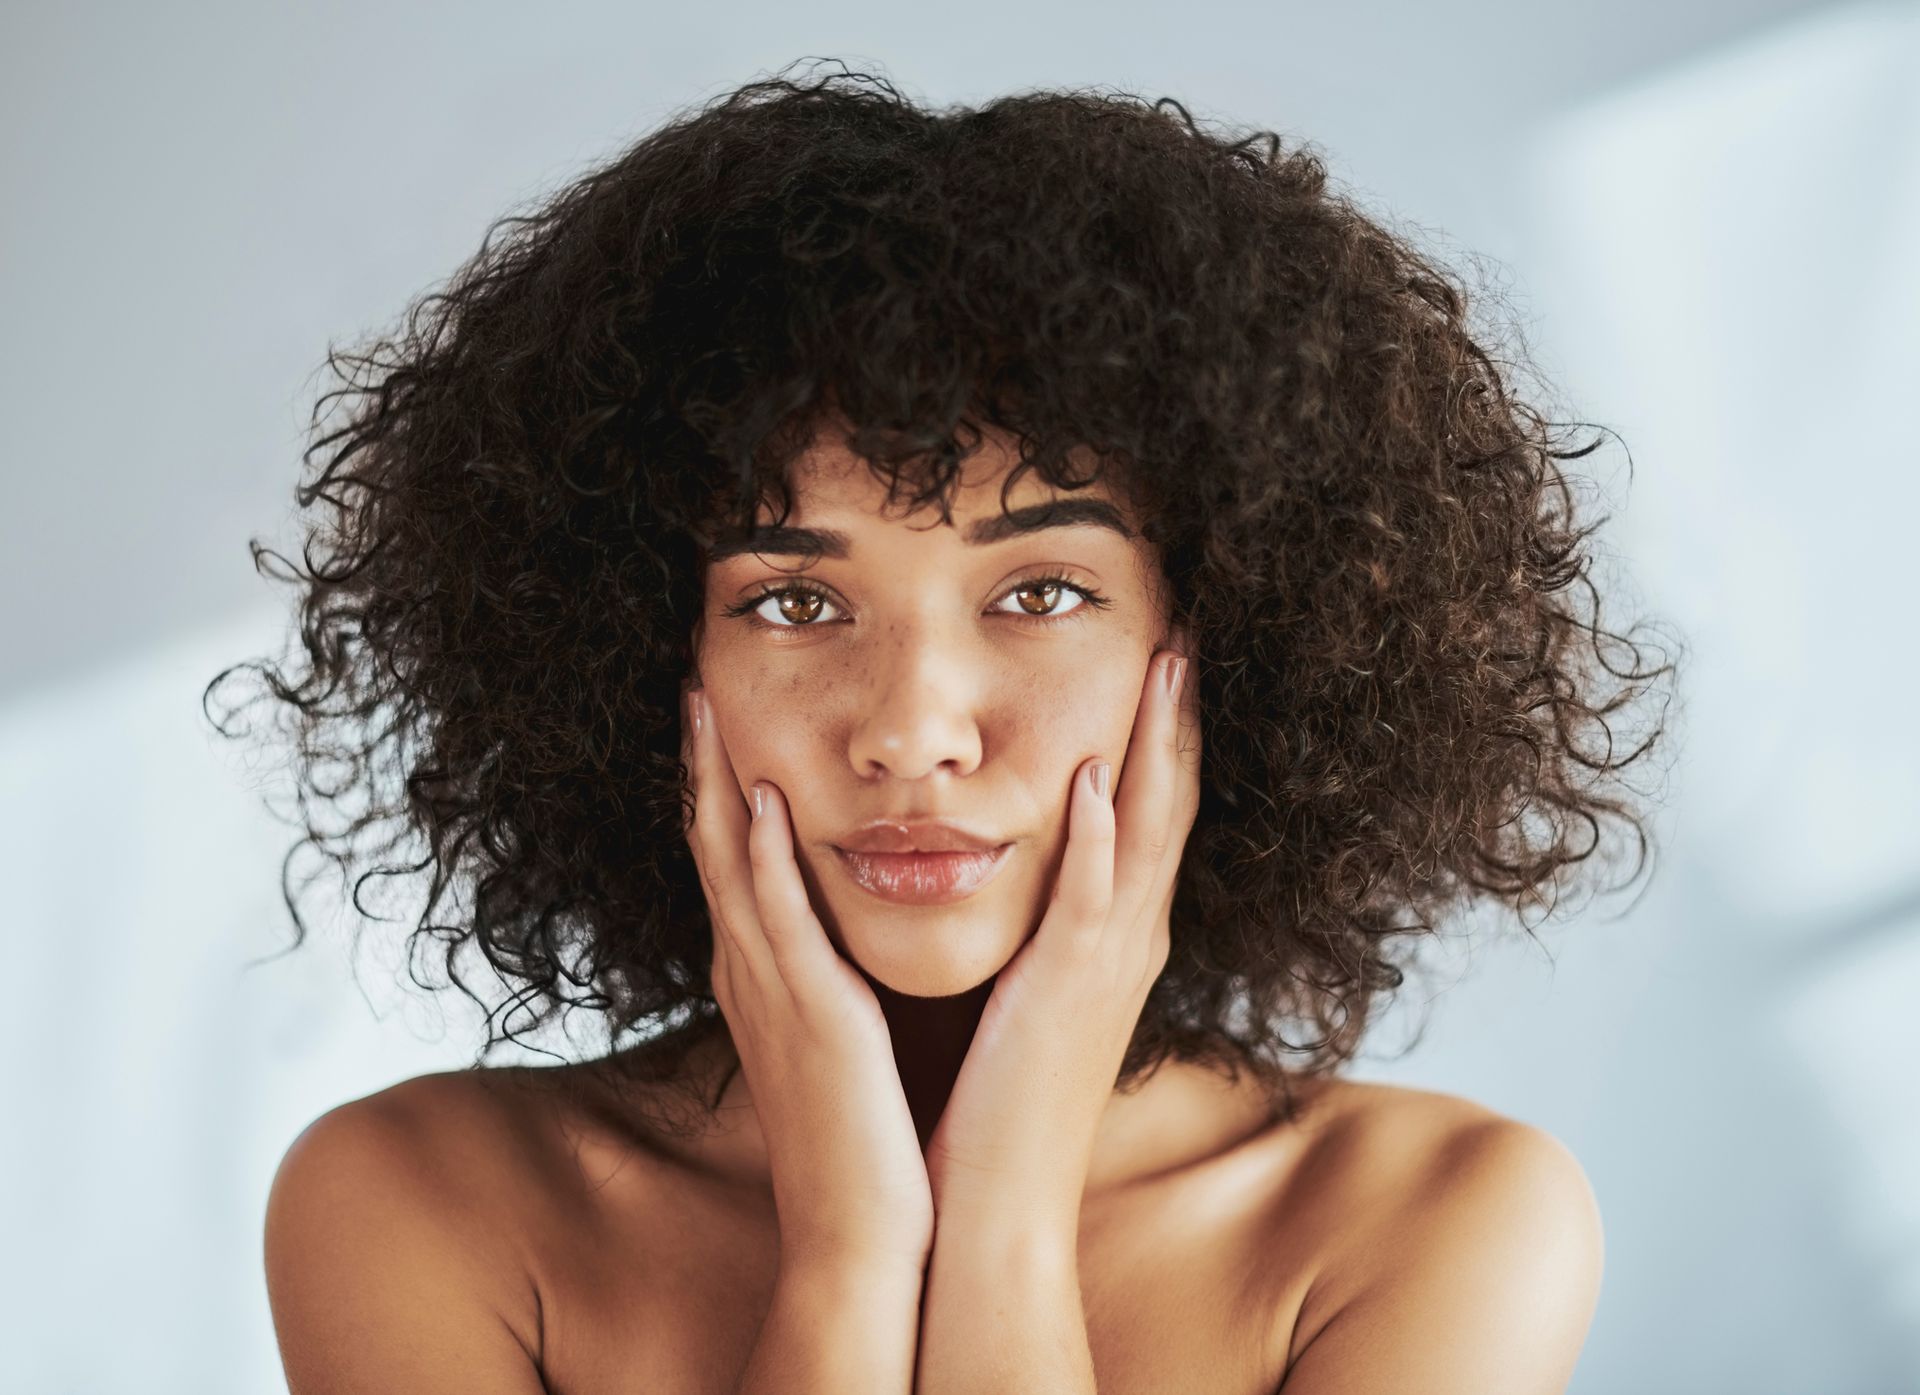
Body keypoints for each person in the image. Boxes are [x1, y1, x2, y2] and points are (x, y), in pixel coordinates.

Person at [210, 59, 1676, 1394]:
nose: (912, 730)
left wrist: (1007, 1230)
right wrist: (848, 1252)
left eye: (1041, 590)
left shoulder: (1432, 1225)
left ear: (1226, 642)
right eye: (793, 602)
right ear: (645, 659)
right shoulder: (421, 1205)